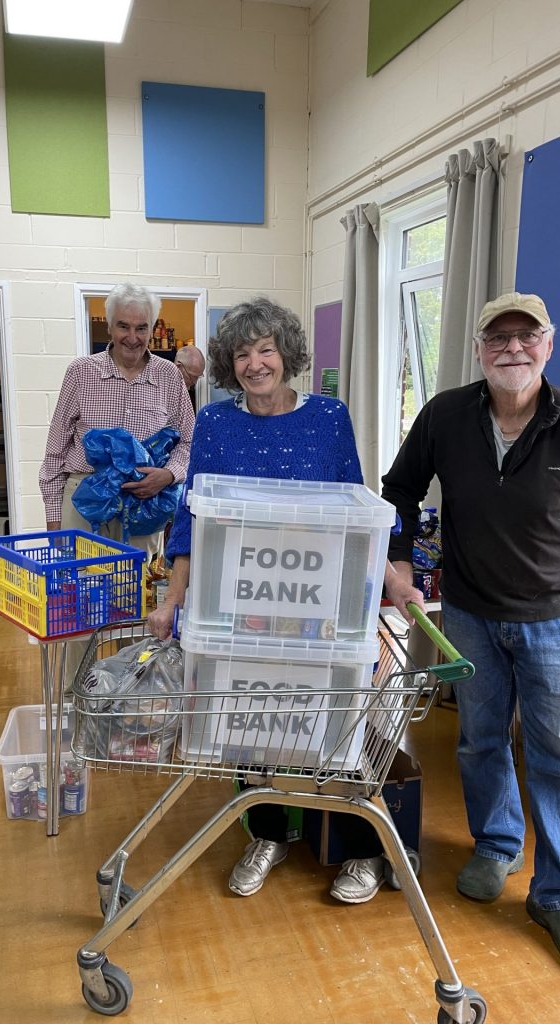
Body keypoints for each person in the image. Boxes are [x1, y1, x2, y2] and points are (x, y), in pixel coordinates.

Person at [381, 292, 560, 971]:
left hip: (557, 621)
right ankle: (496, 846)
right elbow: (399, 489)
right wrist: (398, 566)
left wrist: (557, 566)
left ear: (549, 344)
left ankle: (558, 895)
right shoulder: (447, 416)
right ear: (480, 349)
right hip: (471, 616)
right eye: (498, 337)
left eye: (526, 336)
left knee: (557, 758)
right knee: (480, 740)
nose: (512, 348)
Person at [147, 296, 389, 904]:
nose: (255, 364)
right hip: (240, 596)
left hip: (318, 596)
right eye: (242, 354)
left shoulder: (330, 417)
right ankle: (269, 832)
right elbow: (192, 519)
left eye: (266, 349)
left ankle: (361, 848)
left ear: (287, 354)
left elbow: (354, 512)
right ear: (229, 365)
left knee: (327, 717)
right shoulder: (218, 423)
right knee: (249, 716)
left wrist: (372, 606)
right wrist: (172, 600)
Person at [39, 283, 195, 560]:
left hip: (143, 504)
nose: (133, 338)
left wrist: (169, 475)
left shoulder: (169, 375)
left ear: (152, 328)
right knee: (80, 590)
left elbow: (189, 440)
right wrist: (55, 523)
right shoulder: (80, 372)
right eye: (124, 326)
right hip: (83, 499)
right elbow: (55, 451)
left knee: (137, 593)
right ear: (110, 326)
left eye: (142, 328)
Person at [174, 345, 206, 410]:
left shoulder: (193, 394)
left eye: (198, 377)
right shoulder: (162, 390)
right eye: (192, 376)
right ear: (178, 367)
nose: (195, 382)